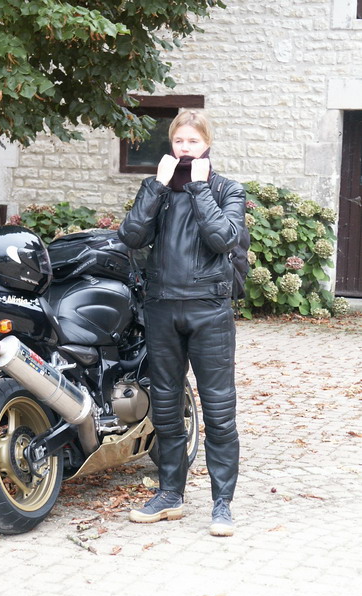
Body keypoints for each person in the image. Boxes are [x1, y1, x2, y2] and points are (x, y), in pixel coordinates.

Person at [118, 110, 246, 537]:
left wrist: (198, 187)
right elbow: (131, 236)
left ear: (207, 143)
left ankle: (222, 503)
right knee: (167, 410)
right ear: (171, 144)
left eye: (193, 141)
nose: (185, 148)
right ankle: (170, 494)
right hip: (161, 310)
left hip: (209, 312)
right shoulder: (155, 188)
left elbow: (223, 238)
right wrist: (157, 186)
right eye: (179, 141)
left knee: (219, 411)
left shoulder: (227, 189)